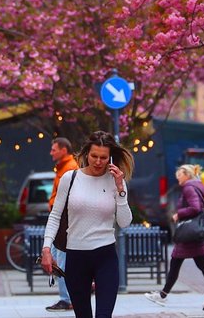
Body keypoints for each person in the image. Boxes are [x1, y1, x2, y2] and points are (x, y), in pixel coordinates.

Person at [41, 131, 133, 318]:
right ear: (86, 154)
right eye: (94, 156)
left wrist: (121, 190)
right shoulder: (70, 178)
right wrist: (46, 248)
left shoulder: (116, 181)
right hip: (76, 256)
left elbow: (124, 223)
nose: (98, 161)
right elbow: (55, 215)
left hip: (105, 256)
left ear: (110, 158)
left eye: (103, 157)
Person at [145, 164, 204, 308]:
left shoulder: (188, 187)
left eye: (180, 175)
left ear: (187, 175)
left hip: (189, 234)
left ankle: (163, 295)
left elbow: (195, 207)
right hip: (194, 234)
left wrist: (178, 214)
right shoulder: (198, 186)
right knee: (201, 264)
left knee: (177, 264)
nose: (178, 178)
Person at [45, 137, 79, 313]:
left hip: (64, 221)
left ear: (64, 150)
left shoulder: (70, 168)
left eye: (54, 149)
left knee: (62, 260)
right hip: (61, 220)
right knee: (60, 259)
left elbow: (67, 198)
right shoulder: (63, 168)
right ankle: (68, 298)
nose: (51, 152)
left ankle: (67, 299)